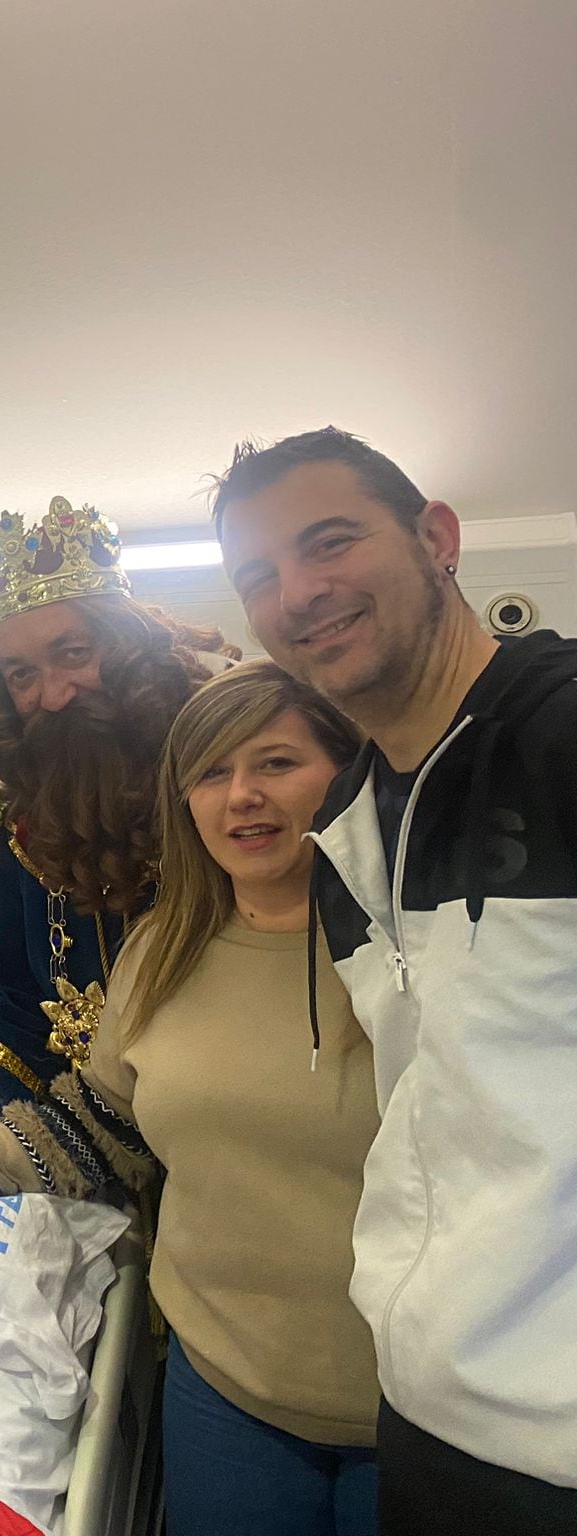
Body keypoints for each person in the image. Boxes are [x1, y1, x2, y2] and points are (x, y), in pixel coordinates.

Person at [0, 661, 380, 1536]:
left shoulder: (417, 956)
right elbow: (107, 1124)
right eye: (211, 773)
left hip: (405, 1403)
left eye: (277, 763)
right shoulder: (163, 954)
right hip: (225, 1393)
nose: (242, 795)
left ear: (346, 771)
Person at [211, 427, 577, 1531]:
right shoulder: (343, 835)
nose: (298, 593)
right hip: (425, 1414)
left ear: (435, 540)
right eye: (258, 577)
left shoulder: (560, 737)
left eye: (328, 543)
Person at [0, 498, 236, 1131]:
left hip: (220, 1124)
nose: (54, 696)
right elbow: (3, 987)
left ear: (125, 647)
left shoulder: (227, 769)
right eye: (22, 675)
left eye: (73, 654)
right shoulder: (10, 820)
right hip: (78, 1144)